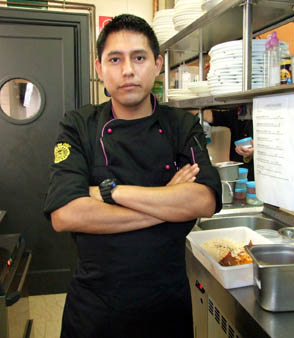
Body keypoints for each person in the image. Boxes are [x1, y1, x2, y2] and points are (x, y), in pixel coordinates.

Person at [44, 14, 222, 338]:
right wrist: (166, 202)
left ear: (156, 64)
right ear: (99, 68)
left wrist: (109, 192)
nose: (128, 70)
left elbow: (204, 200)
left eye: (138, 58)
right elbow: (65, 213)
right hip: (94, 313)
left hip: (166, 310)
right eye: (115, 59)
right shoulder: (78, 126)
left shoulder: (182, 125)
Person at [194, 106, 254, 180]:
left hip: (258, 175)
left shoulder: (267, 116)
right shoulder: (238, 113)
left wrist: (256, 151)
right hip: (236, 176)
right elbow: (212, 116)